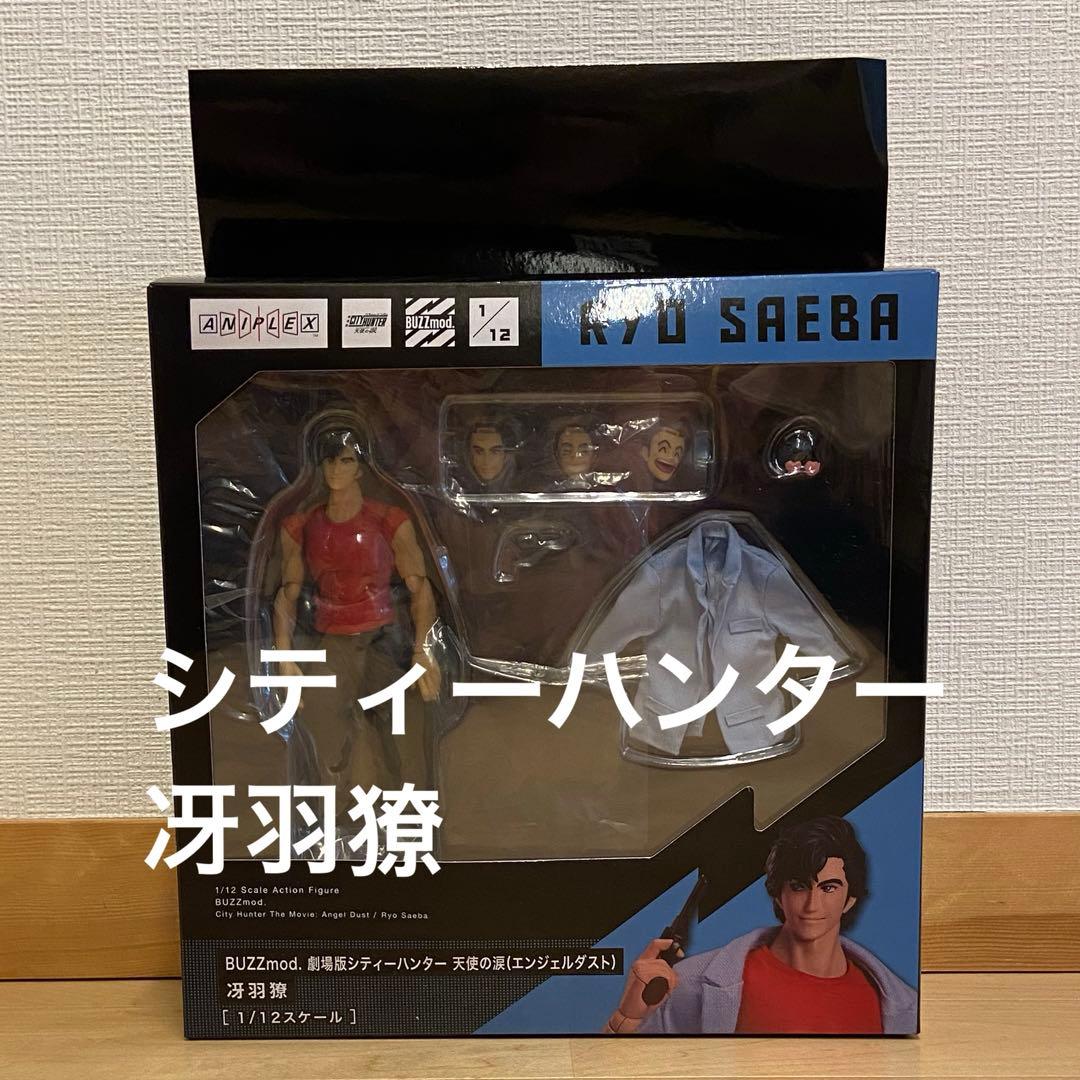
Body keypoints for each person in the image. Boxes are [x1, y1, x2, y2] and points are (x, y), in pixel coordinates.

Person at [606, 816, 917, 1034]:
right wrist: (626, 1017)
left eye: (828, 888)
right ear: (779, 894)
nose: (812, 905)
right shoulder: (690, 983)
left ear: (850, 899)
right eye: (799, 886)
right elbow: (619, 1066)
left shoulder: (898, 1005)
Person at [272, 425, 441, 819]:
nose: (336, 469)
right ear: (319, 465)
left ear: (361, 467)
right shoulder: (301, 525)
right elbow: (288, 592)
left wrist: (423, 650)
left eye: (346, 460)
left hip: (384, 637)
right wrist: (284, 657)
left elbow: (419, 587)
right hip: (332, 639)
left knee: (395, 737)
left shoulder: (389, 519)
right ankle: (333, 822)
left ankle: (404, 818)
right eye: (329, 461)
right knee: (329, 739)